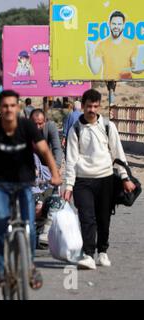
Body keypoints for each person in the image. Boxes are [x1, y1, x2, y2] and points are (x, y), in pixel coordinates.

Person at [0, 90, 61, 288]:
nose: (9, 109)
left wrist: (55, 173)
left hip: (24, 184)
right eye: (5, 106)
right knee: (1, 220)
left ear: (18, 107)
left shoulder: (27, 126)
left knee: (28, 224)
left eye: (12, 105)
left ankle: (30, 267)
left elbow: (45, 149)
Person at [63, 89, 136, 270]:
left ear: (99, 106)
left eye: (96, 106)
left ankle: (102, 252)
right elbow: (71, 159)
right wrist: (69, 185)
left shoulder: (107, 126)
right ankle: (88, 254)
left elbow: (118, 153)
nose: (92, 110)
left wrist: (125, 177)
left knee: (104, 218)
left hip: (105, 179)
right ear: (83, 105)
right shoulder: (76, 129)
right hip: (82, 181)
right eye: (89, 106)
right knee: (87, 218)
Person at [86, 11, 140, 80]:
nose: (116, 27)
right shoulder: (101, 44)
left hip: (126, 85)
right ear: (109, 24)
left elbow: (136, 70)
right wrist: (89, 52)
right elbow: (95, 71)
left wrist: (139, 66)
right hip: (108, 86)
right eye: (114, 24)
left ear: (123, 25)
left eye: (119, 24)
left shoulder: (132, 44)